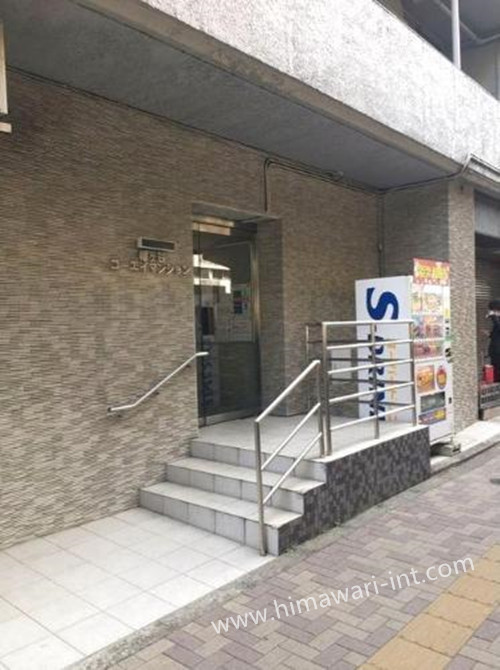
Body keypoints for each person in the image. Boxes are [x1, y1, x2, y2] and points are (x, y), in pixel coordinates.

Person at [487, 300, 500, 382]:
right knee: (495, 367)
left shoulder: (496, 319)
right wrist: (489, 334)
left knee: (497, 368)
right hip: (495, 349)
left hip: (498, 350)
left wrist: (494, 317)